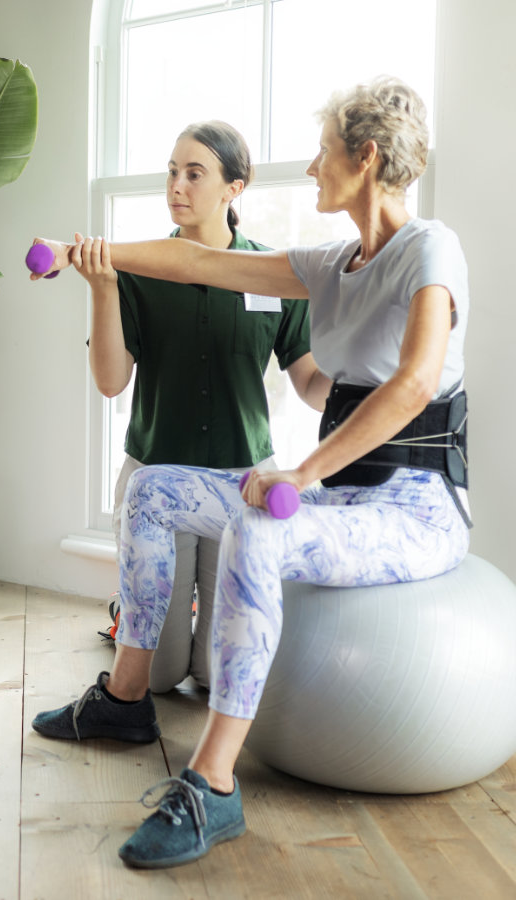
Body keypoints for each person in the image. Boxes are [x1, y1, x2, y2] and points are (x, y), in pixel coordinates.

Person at [31, 77, 470, 869]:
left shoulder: (429, 247)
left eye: (324, 151)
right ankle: (127, 699)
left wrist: (298, 474)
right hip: (341, 494)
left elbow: (412, 384)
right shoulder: (330, 263)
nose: (309, 167)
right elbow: (197, 261)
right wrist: (77, 254)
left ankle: (213, 784)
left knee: (262, 533)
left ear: (366, 157)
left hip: (416, 507)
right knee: (154, 486)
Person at [74, 120, 321, 692]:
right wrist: (103, 287)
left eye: (194, 173)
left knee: (214, 675)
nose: (176, 187)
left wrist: (369, 393)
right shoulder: (138, 268)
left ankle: (179, 617)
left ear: (235, 187)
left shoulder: (271, 272)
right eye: (172, 173)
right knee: (159, 680)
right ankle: (131, 612)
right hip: (155, 481)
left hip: (243, 483)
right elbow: (111, 383)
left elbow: (308, 380)